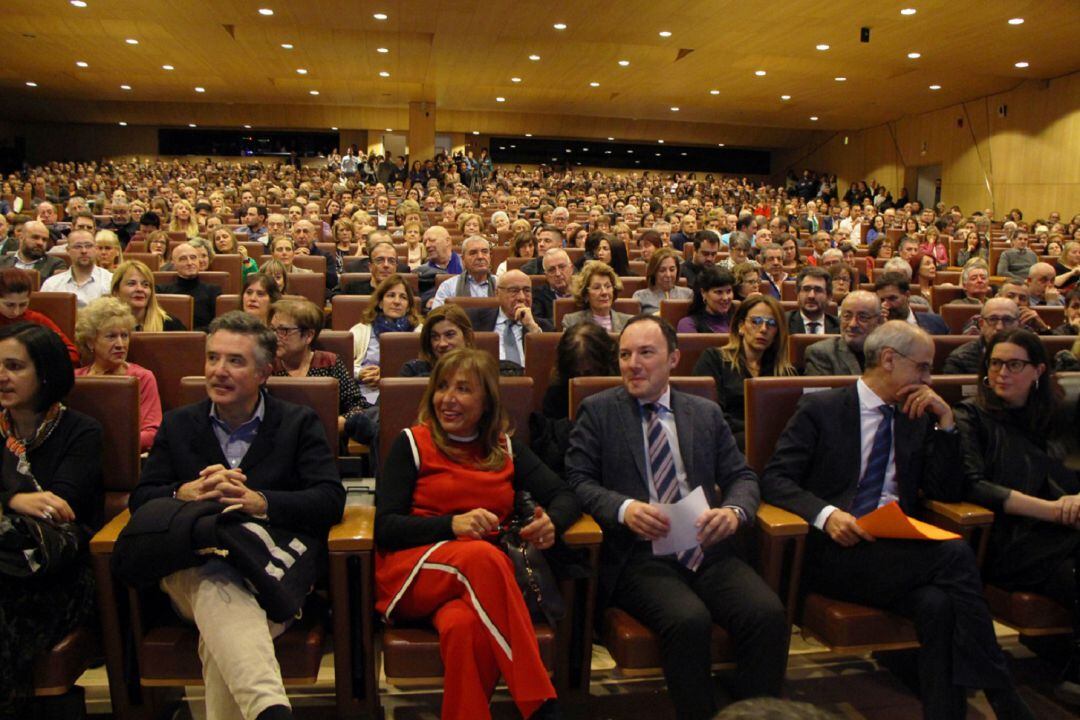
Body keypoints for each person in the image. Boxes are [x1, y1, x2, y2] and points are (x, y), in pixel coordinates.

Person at [758, 321, 1033, 720]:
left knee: (938, 604)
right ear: (889, 359)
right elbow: (775, 478)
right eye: (922, 367)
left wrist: (946, 424)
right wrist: (827, 514)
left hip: (897, 550)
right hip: (837, 548)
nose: (928, 378)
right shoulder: (824, 408)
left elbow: (943, 492)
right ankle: (1000, 690)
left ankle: (947, 713)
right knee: (955, 554)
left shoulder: (915, 413)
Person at [566, 315, 789, 720]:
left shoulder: (703, 413)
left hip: (706, 546)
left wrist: (735, 512)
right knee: (688, 620)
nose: (633, 363)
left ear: (673, 359)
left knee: (767, 614)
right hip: (640, 555)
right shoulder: (598, 412)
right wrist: (624, 508)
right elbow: (578, 481)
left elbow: (741, 476)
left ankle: (752, 713)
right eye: (624, 354)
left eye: (646, 353)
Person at [129, 311, 345, 720]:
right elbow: (142, 500)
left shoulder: (297, 423)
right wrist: (183, 493)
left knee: (222, 632)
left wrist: (260, 502)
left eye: (235, 361)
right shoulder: (179, 425)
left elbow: (329, 499)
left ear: (264, 372)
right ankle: (269, 710)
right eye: (213, 358)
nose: (218, 371)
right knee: (212, 579)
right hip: (190, 566)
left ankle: (269, 710)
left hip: (271, 569)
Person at [375, 348, 579, 720]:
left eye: (463, 389)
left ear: (486, 402)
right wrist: (451, 525)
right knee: (481, 555)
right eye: (442, 387)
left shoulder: (505, 448)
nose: (447, 399)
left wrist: (553, 523)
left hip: (482, 588)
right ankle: (540, 704)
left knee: (464, 628)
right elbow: (385, 528)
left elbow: (564, 495)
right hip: (414, 571)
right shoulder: (413, 443)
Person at [952, 328, 1080, 703]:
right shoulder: (970, 415)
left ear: (1038, 370)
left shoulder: (1060, 414)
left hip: (1065, 533)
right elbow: (974, 486)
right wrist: (1054, 511)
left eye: (1014, 364)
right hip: (1008, 539)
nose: (1001, 373)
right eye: (995, 363)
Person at [0, 323, 102, 719]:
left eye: (13, 366)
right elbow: (30, 504)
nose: (2, 377)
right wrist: (14, 498)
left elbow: (59, 510)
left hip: (57, 572)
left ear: (45, 373)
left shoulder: (80, 431)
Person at [693, 295, 795, 448]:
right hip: (726, 444)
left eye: (771, 324)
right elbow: (708, 413)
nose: (763, 329)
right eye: (756, 321)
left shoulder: (785, 372)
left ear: (777, 333)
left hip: (774, 446)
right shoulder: (715, 359)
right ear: (741, 326)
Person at [73, 297, 161, 452]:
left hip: (127, 456)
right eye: (111, 336)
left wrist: (111, 446)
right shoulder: (76, 379)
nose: (121, 344)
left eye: (125, 336)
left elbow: (152, 432)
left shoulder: (143, 377)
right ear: (90, 342)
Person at [529, 323, 619, 474]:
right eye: (577, 374)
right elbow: (552, 454)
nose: (582, 380)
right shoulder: (556, 393)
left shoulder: (620, 390)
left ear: (605, 366)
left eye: (589, 373)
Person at [269, 298, 363, 434]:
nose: (274, 336)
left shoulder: (330, 362)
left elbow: (358, 407)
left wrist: (332, 425)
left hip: (325, 440)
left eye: (283, 330)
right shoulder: (267, 365)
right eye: (272, 329)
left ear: (308, 336)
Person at [348, 274, 422, 405]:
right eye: (391, 295)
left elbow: (425, 369)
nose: (397, 301)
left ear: (408, 306)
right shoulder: (360, 330)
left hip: (404, 396)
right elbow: (343, 366)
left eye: (403, 297)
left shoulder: (420, 332)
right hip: (363, 395)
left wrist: (387, 375)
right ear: (380, 303)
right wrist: (360, 373)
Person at [465, 270, 553, 366]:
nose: (522, 297)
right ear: (497, 293)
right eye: (514, 291)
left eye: (527, 290)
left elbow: (548, 364)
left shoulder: (544, 327)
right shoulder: (474, 320)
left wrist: (531, 327)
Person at [0, 268, 80, 364]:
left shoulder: (36, 320)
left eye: (23, 305)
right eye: (10, 305)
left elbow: (71, 353)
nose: (16, 312)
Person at [805, 291, 884, 376]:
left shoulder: (890, 352)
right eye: (847, 316)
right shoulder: (820, 353)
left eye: (862, 317)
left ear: (879, 321)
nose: (852, 324)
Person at [943, 298, 1020, 374]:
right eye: (993, 319)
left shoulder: (1030, 355)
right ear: (981, 324)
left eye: (1007, 320)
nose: (999, 327)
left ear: (1018, 324)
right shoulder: (959, 360)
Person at [156, 242, 222, 331]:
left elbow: (218, 324)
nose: (190, 263)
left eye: (193, 258)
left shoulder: (213, 291)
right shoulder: (161, 291)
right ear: (174, 263)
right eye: (183, 259)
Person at [40, 229, 113, 308]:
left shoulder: (111, 281)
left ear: (95, 249)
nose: (84, 251)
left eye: (88, 246)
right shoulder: (51, 285)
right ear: (68, 251)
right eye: (78, 246)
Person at [400, 304, 476, 377]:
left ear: (467, 336)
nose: (442, 344)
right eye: (435, 337)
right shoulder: (413, 371)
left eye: (450, 335)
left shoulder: (482, 371)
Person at [111, 259, 187, 331]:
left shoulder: (171, 325)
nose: (140, 289)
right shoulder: (104, 325)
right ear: (116, 291)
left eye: (145, 284)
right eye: (131, 283)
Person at [562, 260, 632, 333]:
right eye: (597, 288)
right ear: (586, 294)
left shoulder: (629, 322)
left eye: (608, 286)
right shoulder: (572, 322)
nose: (604, 292)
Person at [874, 272, 950, 335]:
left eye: (892, 298)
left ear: (907, 295)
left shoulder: (936, 322)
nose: (886, 304)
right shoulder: (874, 329)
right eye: (882, 300)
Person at [431, 236, 496, 309]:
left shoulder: (501, 284)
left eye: (484, 252)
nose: (480, 257)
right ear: (463, 259)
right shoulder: (448, 287)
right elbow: (436, 317)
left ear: (490, 256)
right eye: (473, 253)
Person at [677, 266, 736, 333]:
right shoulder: (688, 324)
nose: (725, 298)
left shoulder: (739, 321)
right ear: (703, 293)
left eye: (729, 291)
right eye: (719, 292)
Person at [634, 248, 692, 315]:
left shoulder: (688, 294)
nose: (668, 275)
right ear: (653, 272)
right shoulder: (640, 296)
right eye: (662, 270)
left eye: (672, 270)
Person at [0, 221, 67, 278]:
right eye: (35, 237)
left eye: (44, 239)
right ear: (21, 238)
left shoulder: (55, 264)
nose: (40, 243)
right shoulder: (1, 262)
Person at [787, 267, 839, 335]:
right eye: (806, 289)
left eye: (818, 290)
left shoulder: (840, 326)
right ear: (797, 294)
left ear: (829, 297)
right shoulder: (783, 323)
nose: (811, 296)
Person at [532, 248, 575, 325]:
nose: (558, 273)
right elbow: (538, 323)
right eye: (551, 270)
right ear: (546, 275)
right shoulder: (538, 295)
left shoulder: (584, 291)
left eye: (562, 267)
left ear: (571, 268)